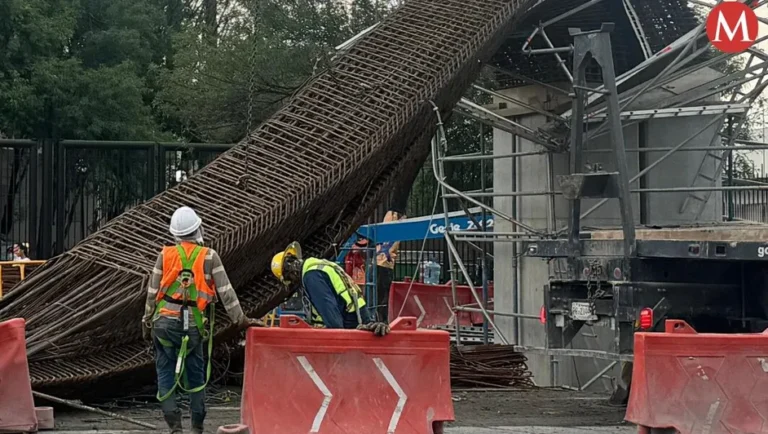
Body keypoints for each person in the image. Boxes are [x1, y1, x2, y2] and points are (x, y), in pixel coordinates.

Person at [142, 206, 262, 434]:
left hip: (163, 324)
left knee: (165, 372)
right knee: (195, 373)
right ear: (198, 228)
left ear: (175, 233)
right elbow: (226, 292)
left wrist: (146, 322)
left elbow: (152, 293)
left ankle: (174, 428)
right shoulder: (209, 256)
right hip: (191, 326)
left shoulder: (164, 255)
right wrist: (241, 320)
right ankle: (197, 427)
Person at [270, 241, 389, 336]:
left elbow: (331, 316)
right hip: (358, 320)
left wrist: (334, 342)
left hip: (349, 329)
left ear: (290, 273)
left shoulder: (311, 277)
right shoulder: (320, 266)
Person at [376, 210, 405, 322]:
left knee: (379, 295)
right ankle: (381, 320)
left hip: (381, 262)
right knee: (382, 296)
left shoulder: (387, 223)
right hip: (385, 264)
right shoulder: (395, 222)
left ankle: (380, 319)